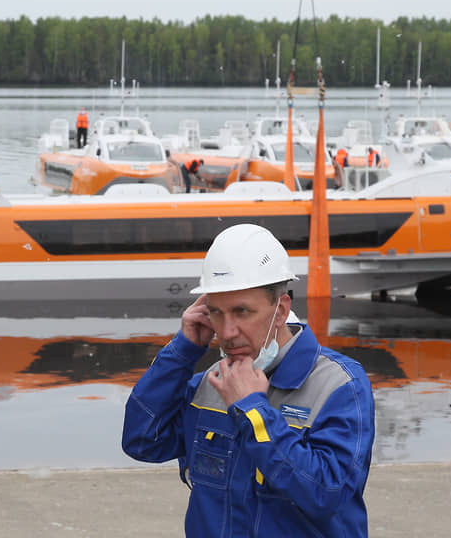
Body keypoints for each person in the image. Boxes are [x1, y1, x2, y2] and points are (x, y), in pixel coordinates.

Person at [122, 224, 375, 538]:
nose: (226, 332)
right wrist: (182, 352)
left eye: (242, 312)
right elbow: (142, 440)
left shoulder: (339, 385)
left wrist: (253, 412)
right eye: (216, 312)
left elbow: (326, 494)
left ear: (281, 310)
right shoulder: (211, 384)